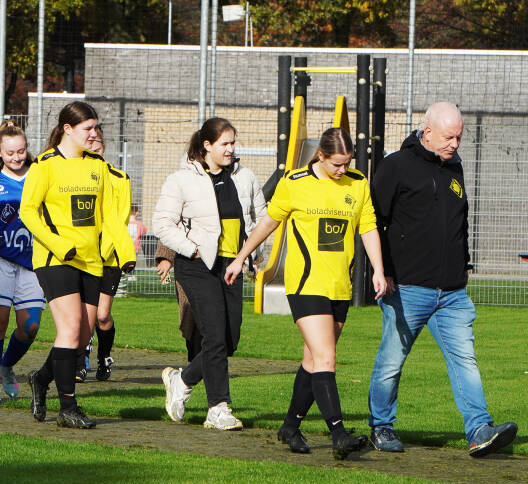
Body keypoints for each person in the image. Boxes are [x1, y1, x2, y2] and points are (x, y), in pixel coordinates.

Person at [367, 102, 518, 457]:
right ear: (428, 131)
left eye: (459, 137)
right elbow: (372, 221)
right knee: (392, 360)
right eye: (449, 136)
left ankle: (480, 428)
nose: (455, 143)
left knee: (465, 359)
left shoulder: (455, 168)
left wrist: (462, 265)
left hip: (452, 292)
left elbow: (459, 223)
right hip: (406, 286)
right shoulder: (396, 166)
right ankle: (381, 426)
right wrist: (383, 271)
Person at [225, 127, 385, 459]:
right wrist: (241, 257)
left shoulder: (357, 183)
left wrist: (379, 272)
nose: (342, 170)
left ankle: (290, 426)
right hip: (305, 284)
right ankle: (339, 433)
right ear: (321, 156)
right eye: (336, 164)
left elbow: (368, 226)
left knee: (313, 361)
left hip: (339, 285)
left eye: (347, 163)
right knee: (327, 358)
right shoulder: (295, 183)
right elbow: (268, 222)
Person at [20, 101, 136, 429]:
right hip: (54, 259)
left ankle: (41, 379)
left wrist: (125, 254)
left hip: (91, 261)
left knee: (81, 337)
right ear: (67, 129)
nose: (94, 133)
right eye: (88, 128)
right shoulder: (44, 165)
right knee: (70, 329)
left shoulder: (97, 166)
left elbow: (111, 217)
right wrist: (58, 244)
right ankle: (68, 408)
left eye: (96, 128)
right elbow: (28, 211)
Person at [153, 117, 265, 431]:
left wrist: (250, 255)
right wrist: (190, 249)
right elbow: (162, 223)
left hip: (232, 265)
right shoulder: (182, 179)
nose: (230, 150)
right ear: (207, 146)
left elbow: (259, 218)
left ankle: (181, 379)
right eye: (224, 144)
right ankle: (219, 408)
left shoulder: (245, 177)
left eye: (233, 143)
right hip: (197, 267)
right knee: (214, 336)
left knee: (229, 340)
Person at [0, 120, 44, 405]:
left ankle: (6, 365)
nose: (17, 157)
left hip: (34, 260)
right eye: (11, 152)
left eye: (21, 151)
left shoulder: (40, 174)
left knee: (30, 327)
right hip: (1, 261)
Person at [76, 125, 132, 382]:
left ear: (103, 148)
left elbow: (118, 219)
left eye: (96, 146)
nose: (92, 150)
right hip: (81, 255)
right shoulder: (74, 177)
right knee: (81, 314)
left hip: (108, 257)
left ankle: (104, 356)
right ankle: (78, 360)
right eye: (89, 146)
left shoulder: (119, 179)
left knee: (101, 315)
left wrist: (118, 251)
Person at [155, 241, 201, 362]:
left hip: (220, 260)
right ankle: (196, 364)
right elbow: (169, 225)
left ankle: (206, 364)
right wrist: (165, 257)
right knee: (190, 316)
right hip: (189, 261)